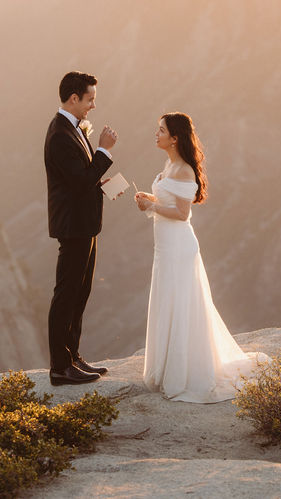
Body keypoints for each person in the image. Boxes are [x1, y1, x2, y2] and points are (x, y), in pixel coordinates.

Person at [134, 112, 266, 402]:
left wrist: (152, 207)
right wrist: (150, 200)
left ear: (175, 137)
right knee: (168, 298)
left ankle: (182, 371)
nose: (156, 134)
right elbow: (169, 203)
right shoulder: (170, 165)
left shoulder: (183, 170)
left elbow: (182, 214)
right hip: (165, 246)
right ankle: (169, 366)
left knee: (180, 300)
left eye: (161, 130)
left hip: (179, 246)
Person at [44, 71, 118, 386]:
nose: (92, 107)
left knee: (80, 292)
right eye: (90, 100)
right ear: (74, 98)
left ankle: (73, 357)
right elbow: (77, 184)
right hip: (73, 227)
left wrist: (100, 183)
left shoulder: (71, 129)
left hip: (84, 225)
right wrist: (103, 150)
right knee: (66, 294)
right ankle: (60, 366)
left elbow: (81, 178)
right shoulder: (60, 134)